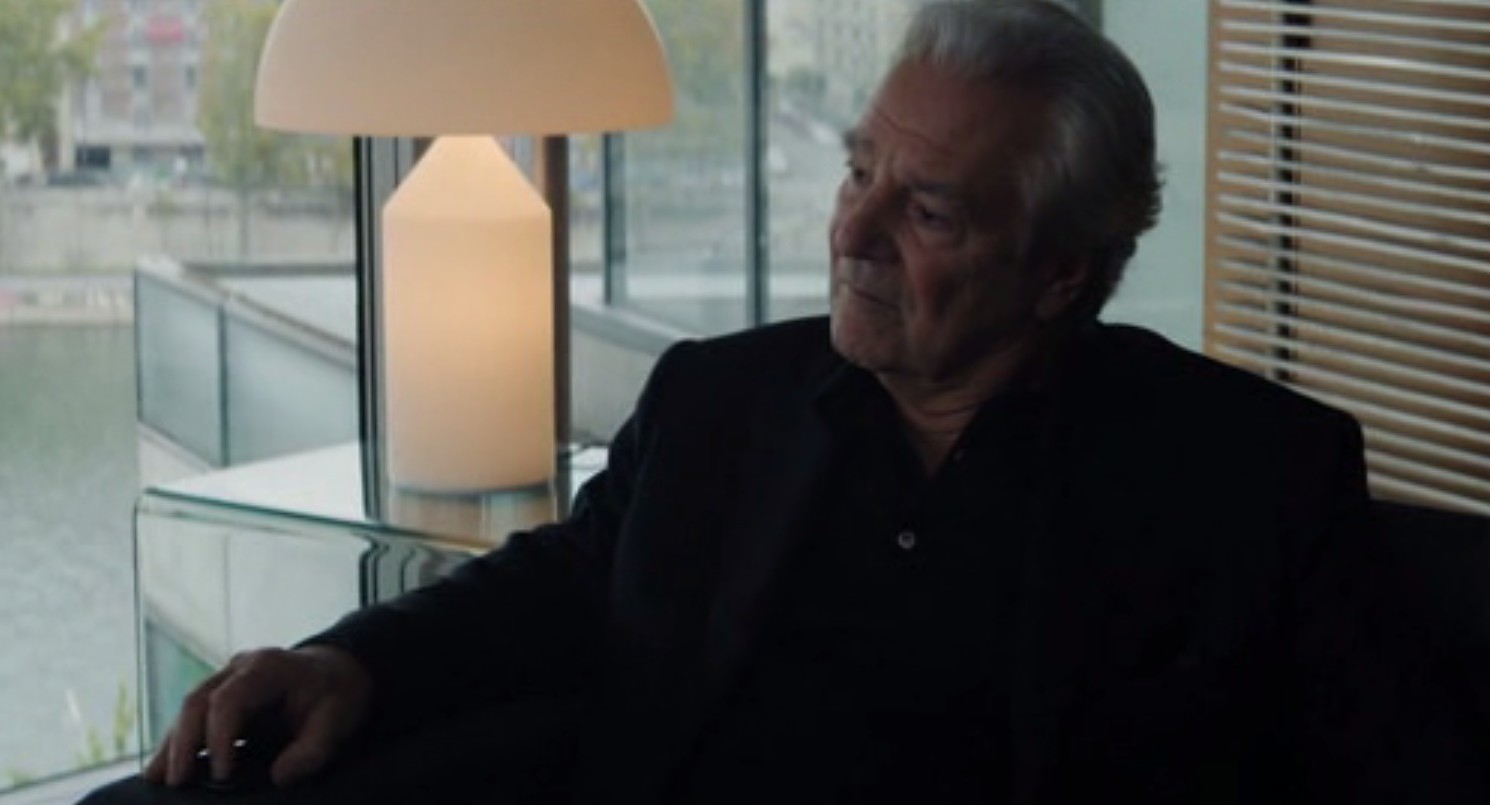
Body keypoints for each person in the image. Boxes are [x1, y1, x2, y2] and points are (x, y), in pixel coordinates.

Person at [85, 1, 1480, 803]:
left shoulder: (1246, 475)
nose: (852, 231)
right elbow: (565, 581)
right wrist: (351, 661)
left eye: (926, 210)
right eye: (859, 169)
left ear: (1060, 270)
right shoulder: (720, 399)